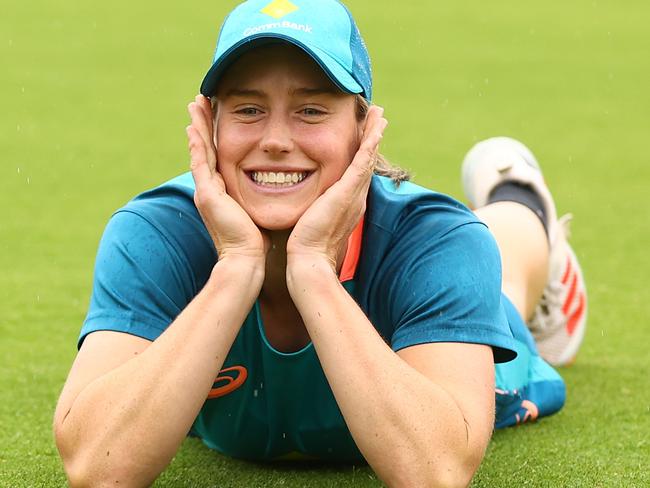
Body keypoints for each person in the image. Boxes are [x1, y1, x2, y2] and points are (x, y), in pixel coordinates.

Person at [53, 1, 587, 486]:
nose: (277, 141)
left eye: (311, 110)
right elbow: (97, 466)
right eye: (247, 109)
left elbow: (434, 470)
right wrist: (239, 266)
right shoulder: (155, 233)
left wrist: (310, 268)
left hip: (456, 298)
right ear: (208, 124)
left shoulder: (437, 241)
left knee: (507, 278)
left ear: (365, 130)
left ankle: (516, 192)